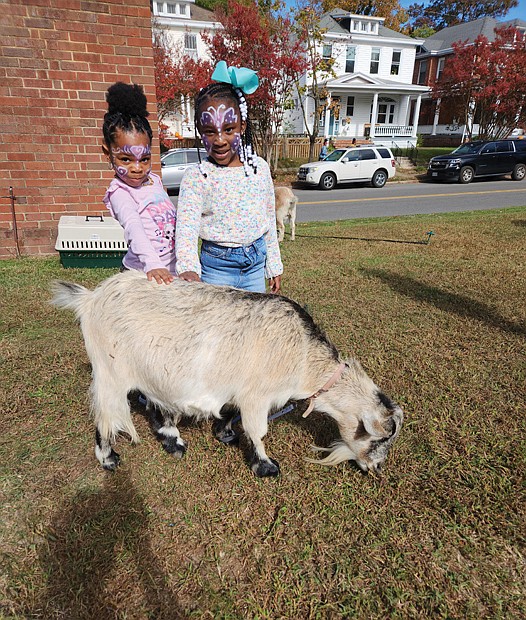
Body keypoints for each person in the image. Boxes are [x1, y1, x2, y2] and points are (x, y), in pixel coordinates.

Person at [175, 61, 283, 295]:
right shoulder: (197, 176)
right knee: (217, 330)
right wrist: (188, 269)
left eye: (229, 129)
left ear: (242, 126)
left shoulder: (259, 168)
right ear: (200, 131)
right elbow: (186, 229)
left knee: (252, 326)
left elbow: (267, 220)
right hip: (216, 269)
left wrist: (273, 264)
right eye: (210, 132)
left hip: (255, 265)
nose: (220, 140)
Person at [102, 82, 176, 285]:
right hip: (144, 273)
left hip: (171, 271)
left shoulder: (154, 180)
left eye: (144, 159)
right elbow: (134, 227)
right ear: (108, 153)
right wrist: (152, 264)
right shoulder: (120, 192)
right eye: (126, 159)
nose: (137, 168)